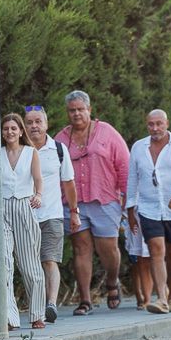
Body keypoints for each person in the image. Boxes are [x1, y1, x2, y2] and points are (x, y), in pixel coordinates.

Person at [56, 91, 129, 315]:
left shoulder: (107, 132)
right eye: (72, 110)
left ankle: (112, 280)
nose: (77, 113)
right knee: (81, 249)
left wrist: (127, 199)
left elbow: (124, 165)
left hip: (104, 199)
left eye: (81, 109)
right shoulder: (60, 138)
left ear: (89, 110)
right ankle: (85, 299)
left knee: (108, 249)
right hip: (73, 203)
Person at [126, 109, 171, 314]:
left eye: (159, 124)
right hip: (148, 208)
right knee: (156, 250)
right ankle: (161, 298)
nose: (155, 128)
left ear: (167, 123)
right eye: (151, 124)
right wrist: (130, 209)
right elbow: (132, 179)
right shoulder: (139, 147)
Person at [24, 106, 79, 323]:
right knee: (29, 263)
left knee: (50, 260)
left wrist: (74, 212)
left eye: (38, 121)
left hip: (52, 214)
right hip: (25, 216)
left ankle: (51, 303)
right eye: (29, 122)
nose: (34, 126)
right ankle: (36, 303)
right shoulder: (18, 150)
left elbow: (69, 183)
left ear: (46, 124)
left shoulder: (58, 149)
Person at [0, 112, 47, 329]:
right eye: (6, 128)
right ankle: (9, 317)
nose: (9, 132)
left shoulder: (30, 152)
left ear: (20, 131)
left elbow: (38, 180)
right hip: (2, 207)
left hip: (24, 207)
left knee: (29, 264)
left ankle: (37, 314)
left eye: (13, 128)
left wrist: (38, 195)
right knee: (4, 265)